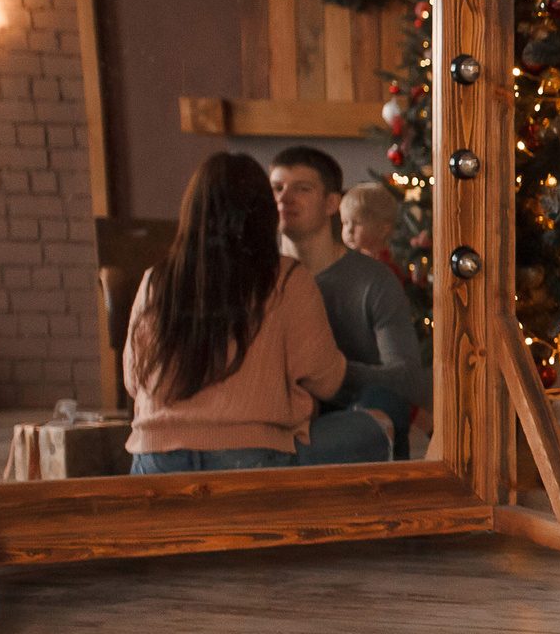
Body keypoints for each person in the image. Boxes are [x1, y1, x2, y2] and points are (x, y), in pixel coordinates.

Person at [126, 152, 397, 472]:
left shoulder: (156, 279)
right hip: (251, 460)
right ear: (264, 213)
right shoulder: (285, 278)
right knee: (378, 423)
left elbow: (134, 380)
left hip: (154, 461)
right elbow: (327, 381)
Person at [271, 147, 428, 446]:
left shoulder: (375, 280)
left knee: (383, 401)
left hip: (355, 420)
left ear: (332, 203)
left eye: (302, 188)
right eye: (277, 188)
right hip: (276, 424)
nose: (284, 198)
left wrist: (331, 371)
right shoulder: (255, 278)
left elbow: (408, 380)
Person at [340, 181, 401, 264]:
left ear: (383, 229)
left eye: (358, 222)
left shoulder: (386, 268)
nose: (350, 230)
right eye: (345, 222)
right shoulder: (349, 262)